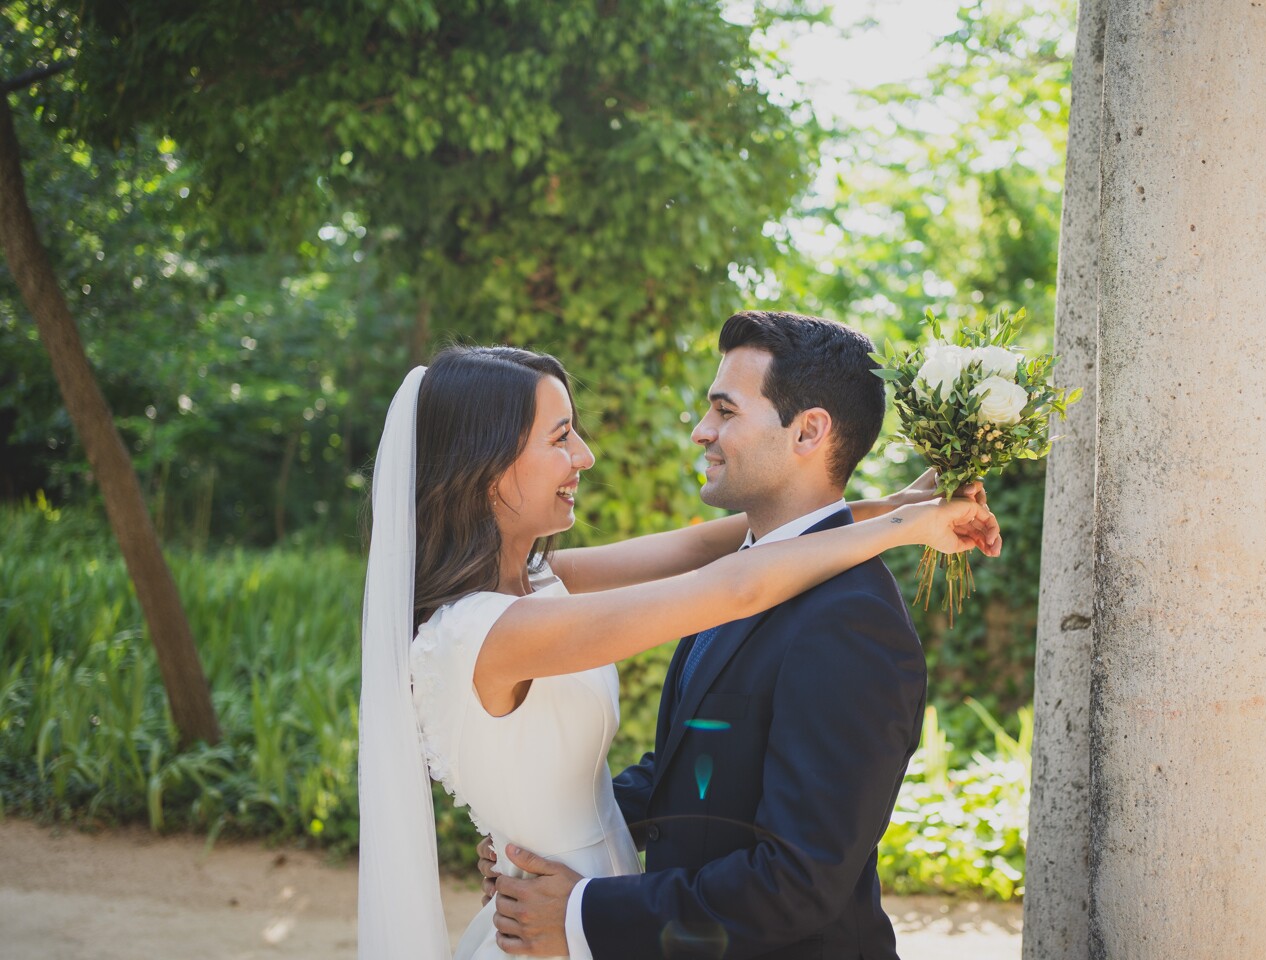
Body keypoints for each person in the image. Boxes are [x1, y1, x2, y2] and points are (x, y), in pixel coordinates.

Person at [356, 339, 1001, 960]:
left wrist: (886, 506)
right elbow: (735, 584)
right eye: (560, 438)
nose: (584, 456)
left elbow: (703, 548)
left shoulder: (542, 585)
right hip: (557, 928)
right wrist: (906, 528)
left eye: (725, 411)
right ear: (485, 461)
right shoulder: (491, 632)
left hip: (585, 910)